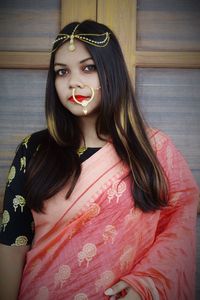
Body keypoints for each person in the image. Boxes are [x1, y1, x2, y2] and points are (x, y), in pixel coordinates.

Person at [0, 20, 198, 300]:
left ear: (111, 72)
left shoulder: (152, 150)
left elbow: (179, 225)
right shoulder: (34, 150)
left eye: (88, 68)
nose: (74, 82)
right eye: (61, 72)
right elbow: (12, 245)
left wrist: (145, 285)